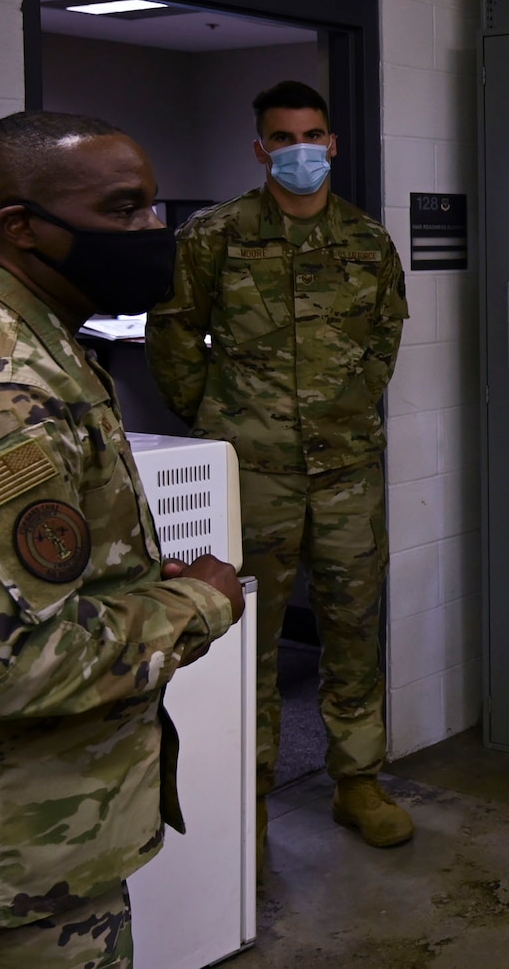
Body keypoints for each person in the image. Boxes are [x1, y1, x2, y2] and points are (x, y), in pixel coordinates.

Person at [0, 112, 244, 964]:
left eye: (152, 208)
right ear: (21, 229)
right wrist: (195, 603)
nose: (154, 232)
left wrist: (131, 585)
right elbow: (4, 664)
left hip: (26, 847)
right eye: (125, 211)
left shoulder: (34, 351)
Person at [147, 80, 409, 863]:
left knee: (354, 628)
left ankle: (357, 781)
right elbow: (174, 334)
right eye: (284, 138)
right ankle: (248, 806)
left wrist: (348, 410)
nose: (301, 150)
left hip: (348, 471)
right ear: (262, 148)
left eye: (314, 135)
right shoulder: (213, 237)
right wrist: (217, 421)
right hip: (252, 471)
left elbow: (384, 338)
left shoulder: (367, 241)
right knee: (247, 636)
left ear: (332, 143)